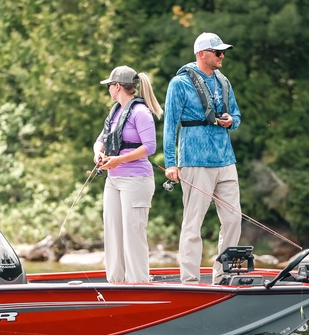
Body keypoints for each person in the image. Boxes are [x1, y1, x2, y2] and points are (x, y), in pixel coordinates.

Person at [162, 32, 242, 285]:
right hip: (195, 161)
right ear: (201, 54)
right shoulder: (179, 84)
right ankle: (190, 279)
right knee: (193, 222)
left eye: (223, 51)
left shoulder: (224, 81)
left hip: (226, 160)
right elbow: (170, 124)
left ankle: (224, 276)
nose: (222, 56)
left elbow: (237, 116)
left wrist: (231, 121)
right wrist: (171, 162)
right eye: (217, 52)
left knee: (233, 219)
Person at [94, 66, 163, 283]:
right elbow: (101, 140)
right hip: (113, 181)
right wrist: (98, 153)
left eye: (109, 86)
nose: (108, 90)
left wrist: (119, 160)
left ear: (117, 87)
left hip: (136, 180)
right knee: (113, 233)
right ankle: (115, 283)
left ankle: (139, 283)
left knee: (133, 234)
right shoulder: (115, 112)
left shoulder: (141, 112)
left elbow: (150, 147)